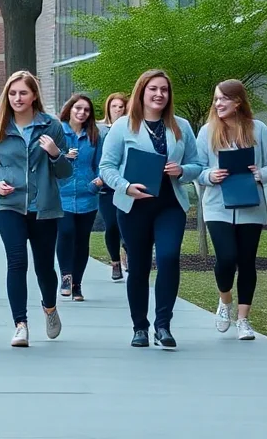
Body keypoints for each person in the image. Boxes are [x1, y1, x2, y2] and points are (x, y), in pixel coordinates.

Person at [99, 69, 202, 350]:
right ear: (141, 92)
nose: (159, 94)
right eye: (153, 89)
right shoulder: (122, 126)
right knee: (140, 267)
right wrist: (124, 186)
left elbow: (197, 164)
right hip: (134, 206)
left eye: (164, 90)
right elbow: (106, 167)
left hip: (170, 204)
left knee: (168, 258)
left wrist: (182, 170)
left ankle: (163, 325)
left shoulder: (181, 126)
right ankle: (140, 328)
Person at [0, 70, 71, 348]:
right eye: (13, 93)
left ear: (34, 96)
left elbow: (65, 171)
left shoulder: (51, 126)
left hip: (44, 207)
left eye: (23, 93)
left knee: (44, 267)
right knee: (17, 262)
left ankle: (50, 307)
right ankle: (20, 324)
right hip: (9, 205)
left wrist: (56, 153)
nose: (17, 98)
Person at [195, 80, 267, 341]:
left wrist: (259, 174)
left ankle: (243, 320)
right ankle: (225, 301)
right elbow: (197, 169)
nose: (218, 104)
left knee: (247, 262)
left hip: (251, 206)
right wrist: (211, 174)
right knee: (226, 257)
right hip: (217, 206)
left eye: (223, 99)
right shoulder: (207, 131)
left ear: (238, 102)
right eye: (216, 99)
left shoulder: (259, 129)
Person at [55, 94, 101, 302]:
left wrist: (97, 183)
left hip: (87, 196)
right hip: (62, 195)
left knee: (82, 241)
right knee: (66, 232)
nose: (82, 113)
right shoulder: (58, 131)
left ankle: (77, 284)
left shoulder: (94, 135)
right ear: (69, 109)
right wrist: (63, 156)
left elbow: (101, 164)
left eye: (86, 110)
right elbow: (46, 160)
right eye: (78, 108)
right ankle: (66, 275)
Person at [97, 93, 128, 280]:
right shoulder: (100, 129)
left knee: (126, 224)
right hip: (106, 186)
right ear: (108, 108)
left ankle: (128, 252)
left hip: (125, 184)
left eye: (121, 106)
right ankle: (115, 262)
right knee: (111, 225)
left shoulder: (130, 128)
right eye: (114, 106)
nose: (118, 109)